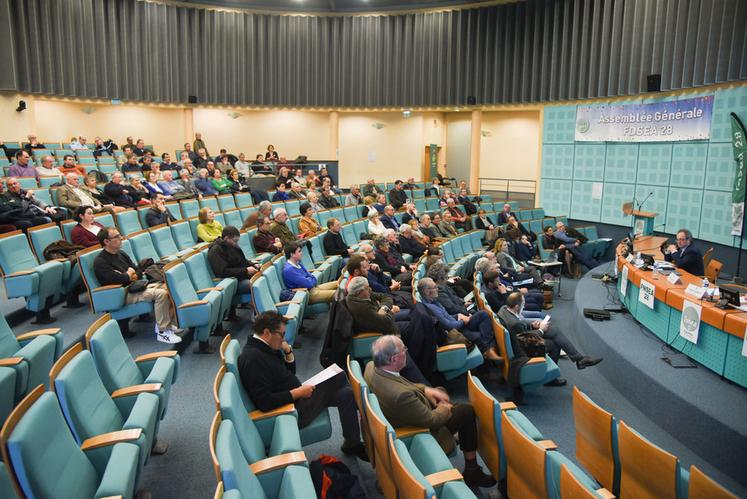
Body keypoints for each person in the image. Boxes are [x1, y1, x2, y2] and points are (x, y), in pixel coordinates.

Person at [364, 335, 496, 488]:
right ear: (393, 359)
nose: (406, 352)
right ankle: (472, 470)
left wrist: (426, 389)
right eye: (403, 350)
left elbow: (404, 385)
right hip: (418, 431)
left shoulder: (372, 367)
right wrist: (443, 408)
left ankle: (459, 437)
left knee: (440, 391)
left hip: (403, 412)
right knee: (466, 412)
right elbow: (432, 421)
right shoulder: (400, 396)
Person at [238, 311, 367, 459]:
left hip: (296, 397)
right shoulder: (254, 359)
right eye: (282, 334)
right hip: (290, 412)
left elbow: (289, 374)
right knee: (338, 376)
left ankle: (352, 444)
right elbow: (264, 402)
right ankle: (368, 415)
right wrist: (297, 393)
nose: (283, 339)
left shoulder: (265, 348)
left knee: (346, 394)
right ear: (267, 333)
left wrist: (287, 351)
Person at [93, 226, 182, 344]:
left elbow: (138, 271)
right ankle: (163, 332)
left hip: (136, 286)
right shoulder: (100, 261)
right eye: (116, 237)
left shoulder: (121, 253)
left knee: (168, 287)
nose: (121, 238)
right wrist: (129, 275)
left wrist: (130, 275)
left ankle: (168, 323)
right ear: (106, 241)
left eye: (120, 235)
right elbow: (116, 280)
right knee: (161, 294)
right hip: (122, 294)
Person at [498, 292, 602, 383]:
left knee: (554, 331)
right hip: (522, 350)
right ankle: (553, 378)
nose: (524, 307)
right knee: (555, 344)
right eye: (523, 304)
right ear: (516, 307)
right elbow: (525, 340)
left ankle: (579, 359)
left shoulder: (504, 309)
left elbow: (520, 331)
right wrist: (541, 330)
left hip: (517, 338)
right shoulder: (515, 324)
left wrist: (532, 326)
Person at [418, 277, 499, 360]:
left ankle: (488, 349)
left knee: (483, 314)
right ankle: (489, 350)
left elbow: (447, 316)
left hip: (458, 324)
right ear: (427, 291)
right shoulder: (431, 308)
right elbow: (449, 326)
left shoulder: (433, 301)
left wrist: (458, 315)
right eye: (435, 287)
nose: (437, 289)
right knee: (481, 335)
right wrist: (463, 321)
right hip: (456, 333)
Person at [208, 226, 260, 314]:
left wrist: (253, 264)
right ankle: (257, 315)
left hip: (241, 276)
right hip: (232, 281)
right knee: (255, 285)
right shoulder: (216, 250)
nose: (235, 243)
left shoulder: (232, 245)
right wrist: (245, 270)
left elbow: (243, 261)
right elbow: (223, 272)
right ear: (226, 238)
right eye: (234, 241)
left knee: (261, 277)